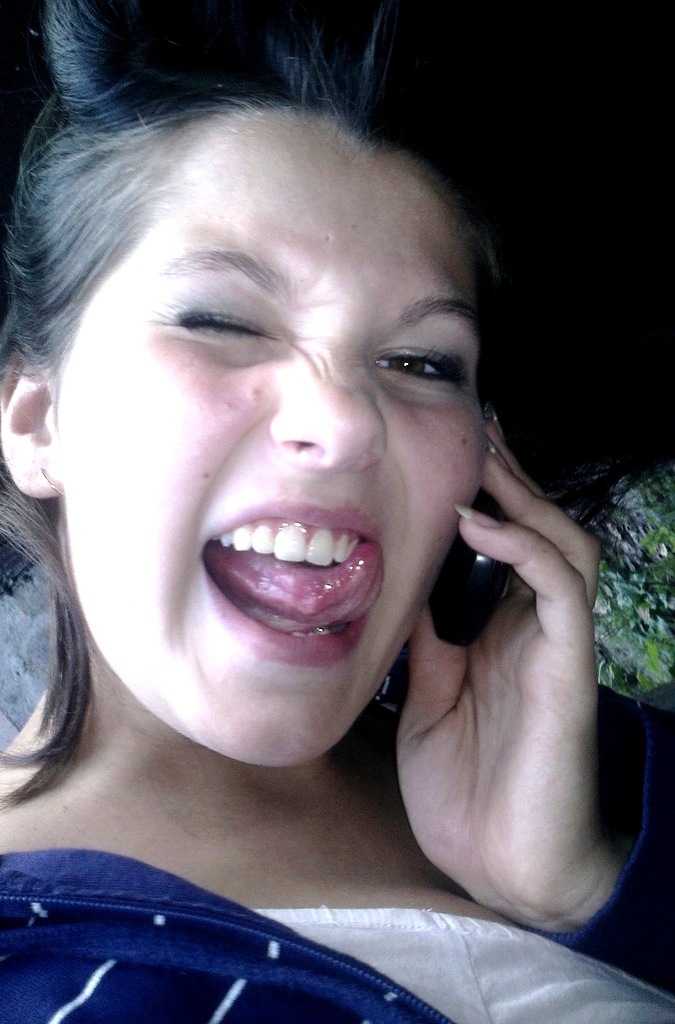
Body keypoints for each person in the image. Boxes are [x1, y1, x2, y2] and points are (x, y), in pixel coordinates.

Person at [0, 1, 673, 1020]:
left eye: (422, 362)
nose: (348, 419)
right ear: (38, 418)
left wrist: (588, 881)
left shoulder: (535, 735)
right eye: (222, 320)